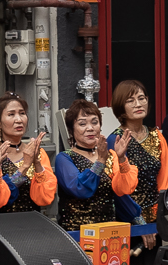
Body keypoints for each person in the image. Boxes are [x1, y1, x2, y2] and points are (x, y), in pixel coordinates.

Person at [53, 100, 137, 236]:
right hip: (77, 234)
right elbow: (79, 189)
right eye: (82, 124)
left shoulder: (111, 155)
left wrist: (121, 159)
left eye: (94, 122)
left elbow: (122, 192)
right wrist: (100, 161)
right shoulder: (64, 158)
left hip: (108, 233)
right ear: (71, 129)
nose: (90, 128)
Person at [0, 93, 56, 215]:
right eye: (11, 114)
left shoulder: (38, 152)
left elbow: (44, 198)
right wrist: (23, 167)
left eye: (22, 113)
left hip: (31, 225)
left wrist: (36, 162)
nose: (19, 120)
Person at [110, 80, 163, 261]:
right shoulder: (114, 140)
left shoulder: (157, 136)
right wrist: (139, 222)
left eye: (142, 98)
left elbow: (165, 180)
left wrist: (159, 219)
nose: (138, 104)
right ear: (120, 107)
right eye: (130, 100)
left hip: (155, 223)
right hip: (126, 222)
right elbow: (116, 189)